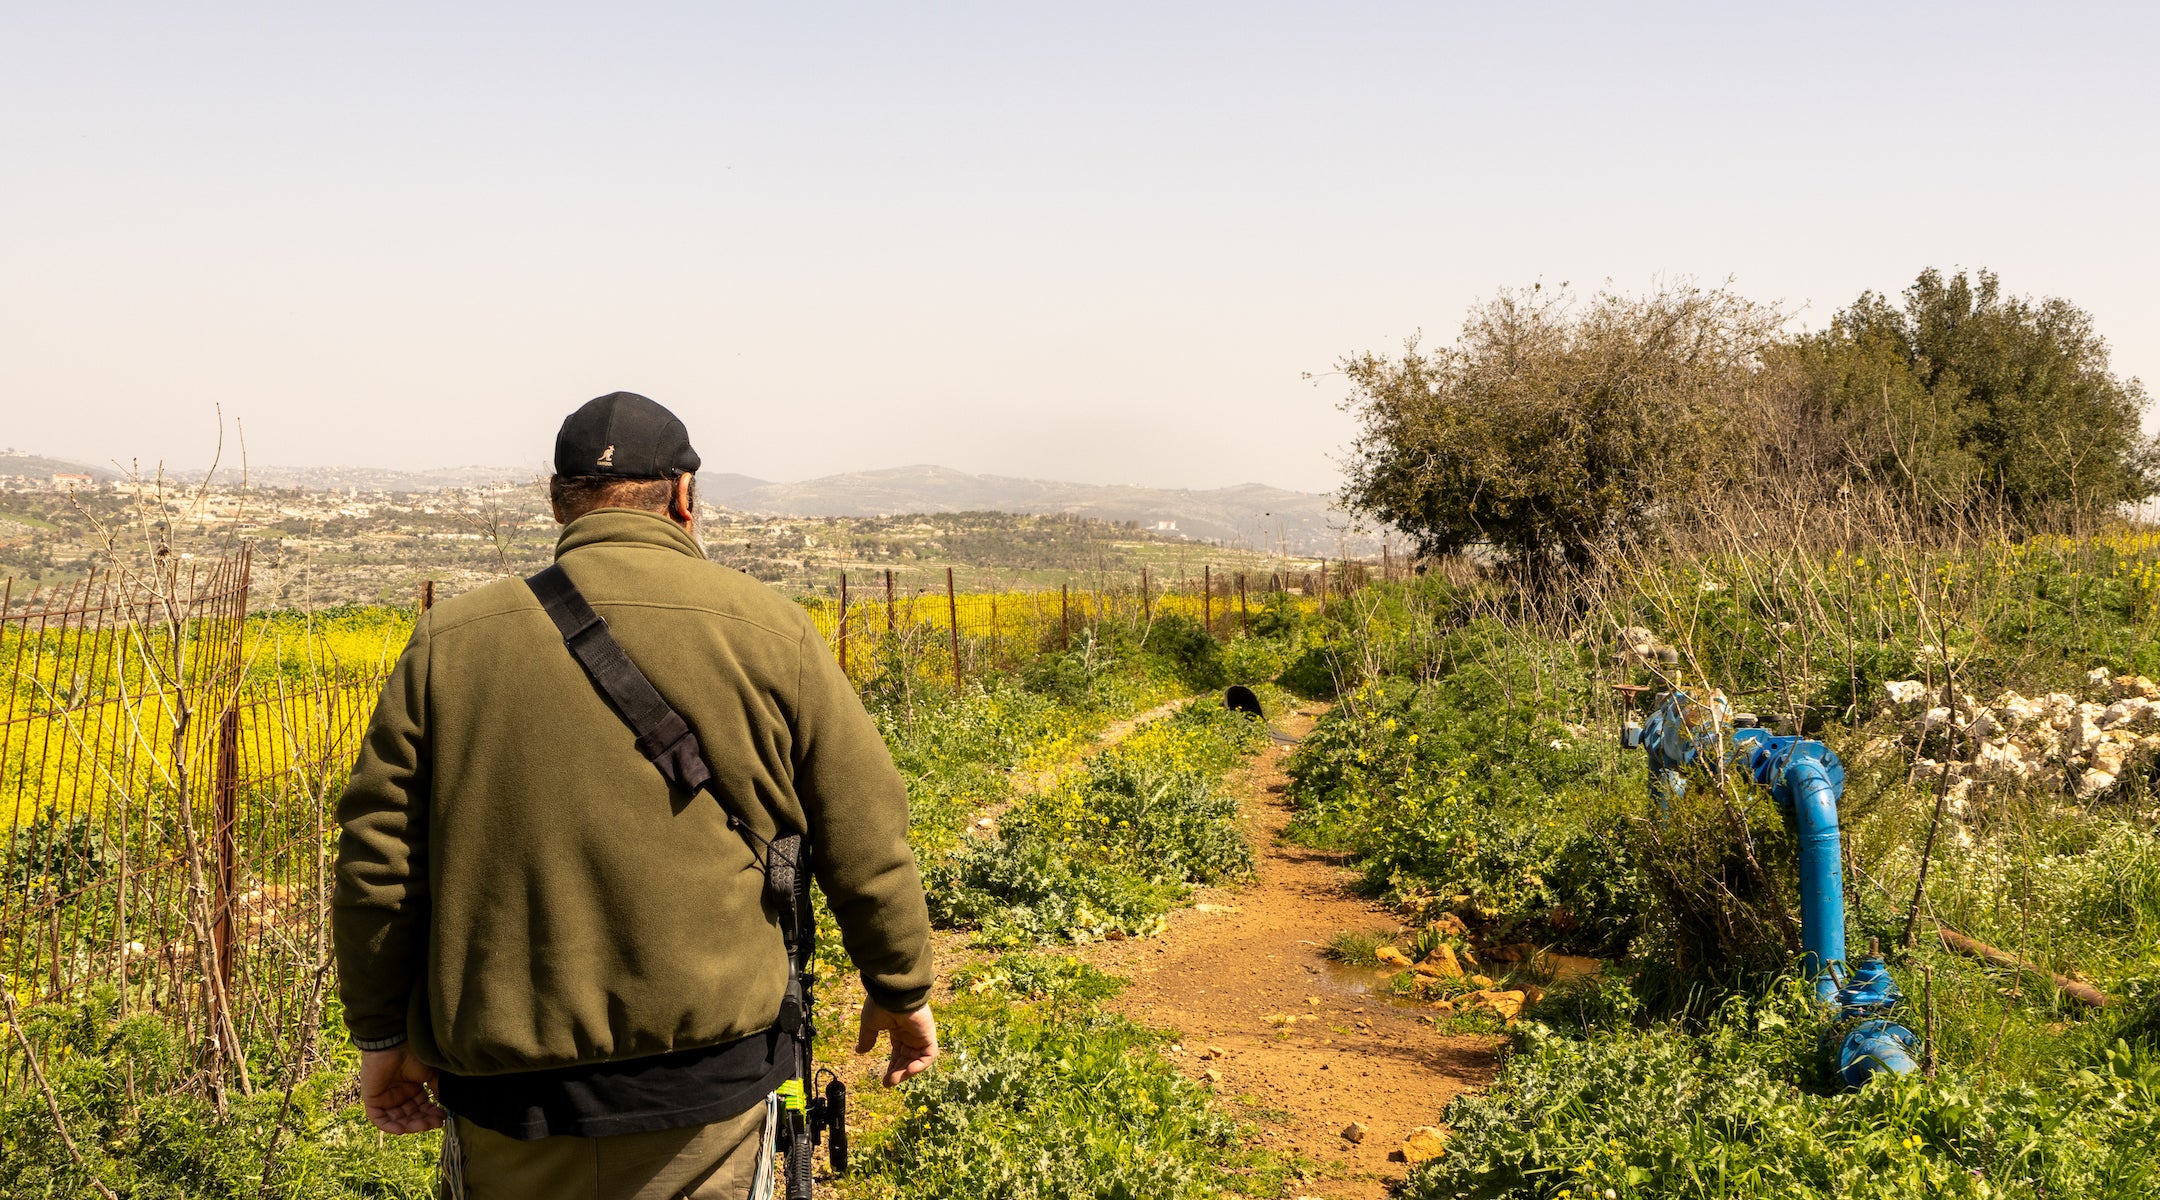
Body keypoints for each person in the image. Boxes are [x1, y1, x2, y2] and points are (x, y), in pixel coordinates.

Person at [333, 391, 936, 1199]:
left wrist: (382, 1036)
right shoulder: (771, 630)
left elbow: (378, 868)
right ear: (685, 494)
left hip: (509, 1103)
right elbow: (863, 836)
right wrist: (900, 990)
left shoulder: (450, 644)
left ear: (557, 501)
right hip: (711, 1093)